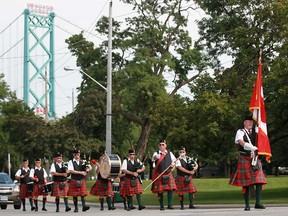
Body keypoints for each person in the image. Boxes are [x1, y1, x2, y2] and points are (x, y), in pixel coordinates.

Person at [229, 115, 267, 211]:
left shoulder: (256, 130)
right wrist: (248, 146)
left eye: (250, 122)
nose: (249, 123)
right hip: (244, 158)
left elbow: (263, 136)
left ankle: (258, 203)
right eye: (247, 122)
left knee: (259, 181)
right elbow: (240, 141)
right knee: (246, 183)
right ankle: (247, 205)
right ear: (244, 123)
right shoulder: (240, 131)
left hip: (255, 158)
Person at [152, 139, 177, 211]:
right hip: (159, 174)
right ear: (158, 146)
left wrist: (173, 168)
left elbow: (175, 162)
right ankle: (161, 205)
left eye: (163, 144)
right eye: (160, 145)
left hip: (168, 174)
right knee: (160, 190)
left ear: (165, 145)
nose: (161, 146)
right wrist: (156, 157)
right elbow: (153, 160)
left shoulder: (170, 153)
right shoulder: (156, 153)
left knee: (170, 189)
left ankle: (170, 205)